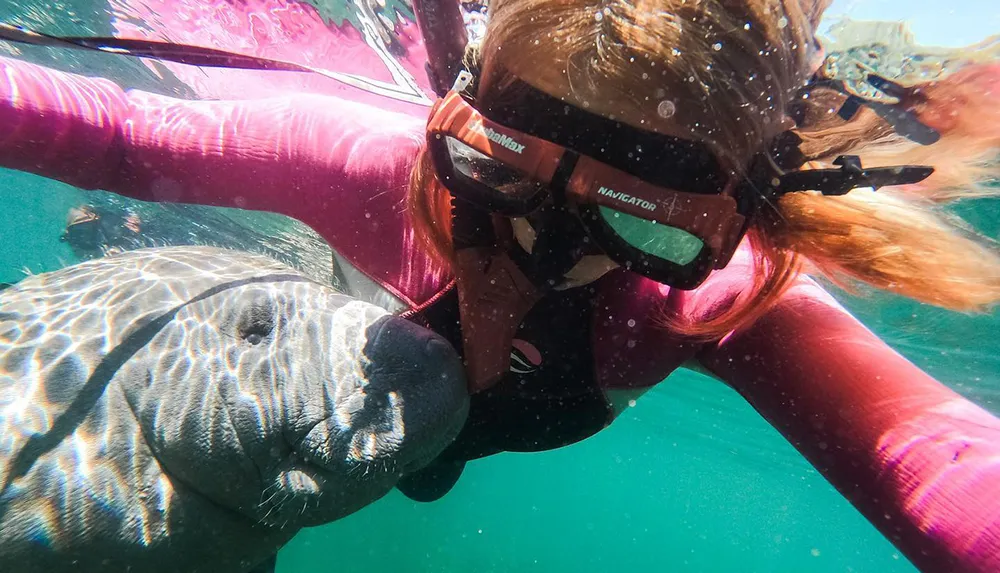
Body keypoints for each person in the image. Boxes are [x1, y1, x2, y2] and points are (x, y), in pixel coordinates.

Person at [1, 0, 1000, 570]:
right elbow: (116, 134)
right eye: (499, 173)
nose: (538, 246)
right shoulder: (370, 164)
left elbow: (937, 466)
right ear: (454, 122)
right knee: (404, 445)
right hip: (373, 401)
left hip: (433, 427)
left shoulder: (723, 300)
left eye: (634, 217)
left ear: (732, 217)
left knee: (426, 463)